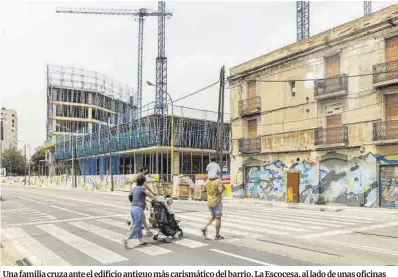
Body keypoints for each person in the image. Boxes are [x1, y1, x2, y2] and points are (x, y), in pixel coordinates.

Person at [123, 174, 157, 248]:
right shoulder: (142, 188)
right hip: (138, 209)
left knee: (139, 223)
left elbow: (131, 196)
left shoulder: (135, 188)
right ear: (143, 182)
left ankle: (141, 240)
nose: (146, 183)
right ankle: (127, 238)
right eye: (145, 182)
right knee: (137, 225)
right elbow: (150, 195)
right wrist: (156, 199)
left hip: (133, 208)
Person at [201, 157, 225, 240]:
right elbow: (220, 190)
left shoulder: (207, 181)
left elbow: (203, 190)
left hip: (210, 202)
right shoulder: (218, 181)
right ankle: (217, 235)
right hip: (217, 201)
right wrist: (223, 188)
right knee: (218, 218)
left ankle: (205, 227)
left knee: (213, 217)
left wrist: (210, 191)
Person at [127, 166, 154, 237]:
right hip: (137, 194)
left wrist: (132, 191)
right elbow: (145, 186)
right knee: (139, 210)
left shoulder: (136, 175)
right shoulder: (141, 176)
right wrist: (152, 192)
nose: (147, 171)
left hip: (133, 194)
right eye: (146, 170)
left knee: (139, 211)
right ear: (144, 170)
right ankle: (129, 233)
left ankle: (147, 229)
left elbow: (131, 183)